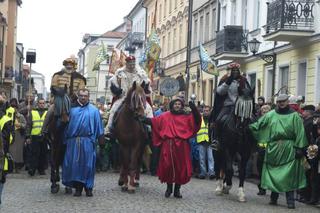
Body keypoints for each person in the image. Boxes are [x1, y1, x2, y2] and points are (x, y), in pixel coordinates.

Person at [249, 94, 308, 209]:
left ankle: (290, 201)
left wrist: (300, 148)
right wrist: (249, 126)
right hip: (273, 148)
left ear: (287, 102)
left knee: (288, 175)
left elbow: (300, 132)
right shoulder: (271, 114)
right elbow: (259, 124)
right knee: (274, 172)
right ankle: (273, 198)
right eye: (279, 101)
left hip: (289, 148)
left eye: (283, 101)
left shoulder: (295, 116)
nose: (281, 103)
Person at [138, 97, 201, 198]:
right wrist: (142, 119)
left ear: (182, 106)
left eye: (179, 104)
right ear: (172, 105)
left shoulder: (187, 116)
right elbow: (154, 122)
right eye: (175, 104)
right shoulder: (165, 116)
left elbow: (197, 121)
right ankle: (169, 188)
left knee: (180, 168)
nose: (177, 106)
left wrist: (194, 109)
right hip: (168, 145)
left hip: (182, 146)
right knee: (168, 167)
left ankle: (177, 190)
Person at [62, 89, 104, 197]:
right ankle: (78, 188)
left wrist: (101, 141)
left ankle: (88, 187)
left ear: (88, 97)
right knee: (75, 165)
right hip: (74, 142)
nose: (83, 98)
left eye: (85, 96)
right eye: (81, 96)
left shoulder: (94, 111)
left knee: (88, 165)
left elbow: (99, 127)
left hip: (88, 142)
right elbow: (65, 127)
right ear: (78, 96)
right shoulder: (72, 110)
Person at [105, 55, 153, 137]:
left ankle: (150, 129)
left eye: (133, 63)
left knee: (148, 108)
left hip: (137, 98)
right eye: (130, 64)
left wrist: (144, 87)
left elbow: (147, 84)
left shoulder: (141, 73)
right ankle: (109, 129)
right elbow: (112, 83)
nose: (131, 65)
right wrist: (116, 90)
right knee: (114, 109)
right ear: (126, 63)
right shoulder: (119, 73)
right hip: (123, 97)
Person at [210, 62, 250, 150]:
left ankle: (252, 141)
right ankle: (216, 140)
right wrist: (228, 82)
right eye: (233, 70)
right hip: (228, 105)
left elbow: (248, 91)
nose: (235, 72)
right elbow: (220, 92)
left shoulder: (243, 80)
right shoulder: (225, 80)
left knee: (251, 120)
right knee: (218, 120)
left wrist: (245, 91)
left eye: (236, 70)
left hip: (241, 106)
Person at [42, 56, 86, 133]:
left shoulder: (80, 78)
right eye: (67, 64)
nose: (69, 66)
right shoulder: (57, 75)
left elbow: (81, 89)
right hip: (60, 100)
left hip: (74, 101)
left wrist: (75, 95)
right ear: (64, 65)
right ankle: (44, 130)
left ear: (74, 66)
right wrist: (60, 92)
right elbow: (53, 86)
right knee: (50, 111)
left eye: (71, 64)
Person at [26, 98, 48, 176]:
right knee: (34, 153)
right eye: (40, 103)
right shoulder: (33, 112)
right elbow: (29, 125)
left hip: (44, 136)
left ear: (45, 104)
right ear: (37, 104)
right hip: (34, 136)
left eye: (43, 103)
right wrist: (28, 136)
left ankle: (41, 169)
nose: (42, 105)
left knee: (43, 153)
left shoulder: (47, 112)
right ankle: (32, 169)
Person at [255, 104, 271, 196]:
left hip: (271, 148)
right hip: (261, 148)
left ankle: (268, 186)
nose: (265, 113)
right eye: (263, 112)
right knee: (260, 167)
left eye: (267, 112)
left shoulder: (272, 121)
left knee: (269, 168)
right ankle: (261, 187)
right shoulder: (259, 121)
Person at [197, 106, 215, 180]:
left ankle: (211, 173)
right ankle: (203, 173)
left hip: (210, 141)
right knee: (202, 158)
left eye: (207, 111)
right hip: (201, 141)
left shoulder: (212, 120)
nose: (206, 112)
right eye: (204, 110)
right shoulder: (199, 119)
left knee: (211, 158)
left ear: (210, 111)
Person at [9, 98, 26, 172]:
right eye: (12, 107)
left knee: (18, 152)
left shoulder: (20, 116)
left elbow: (25, 124)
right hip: (10, 135)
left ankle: (17, 167)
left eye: (15, 107)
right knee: (11, 151)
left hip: (19, 135)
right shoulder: (8, 116)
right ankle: (11, 166)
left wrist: (20, 124)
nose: (13, 109)